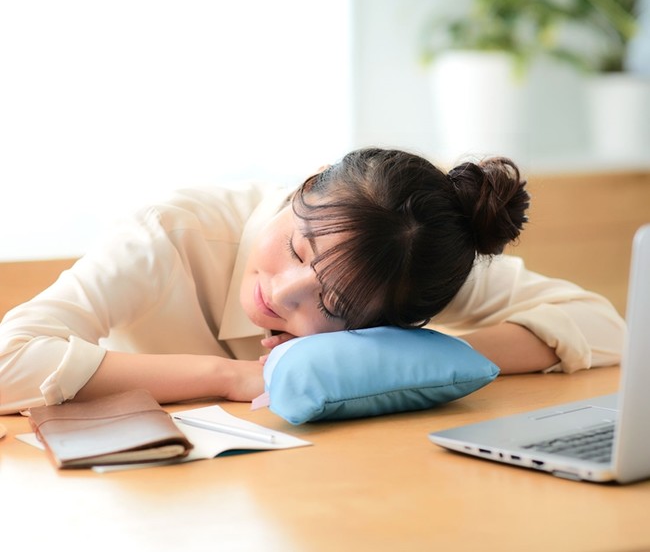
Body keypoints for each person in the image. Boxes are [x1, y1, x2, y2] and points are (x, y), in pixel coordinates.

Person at [0, 148, 624, 415]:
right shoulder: (171, 235)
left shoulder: (402, 269)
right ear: (306, 186)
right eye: (298, 247)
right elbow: (11, 360)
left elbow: (606, 328)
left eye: (333, 303)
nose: (282, 292)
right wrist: (231, 377)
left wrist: (392, 359)